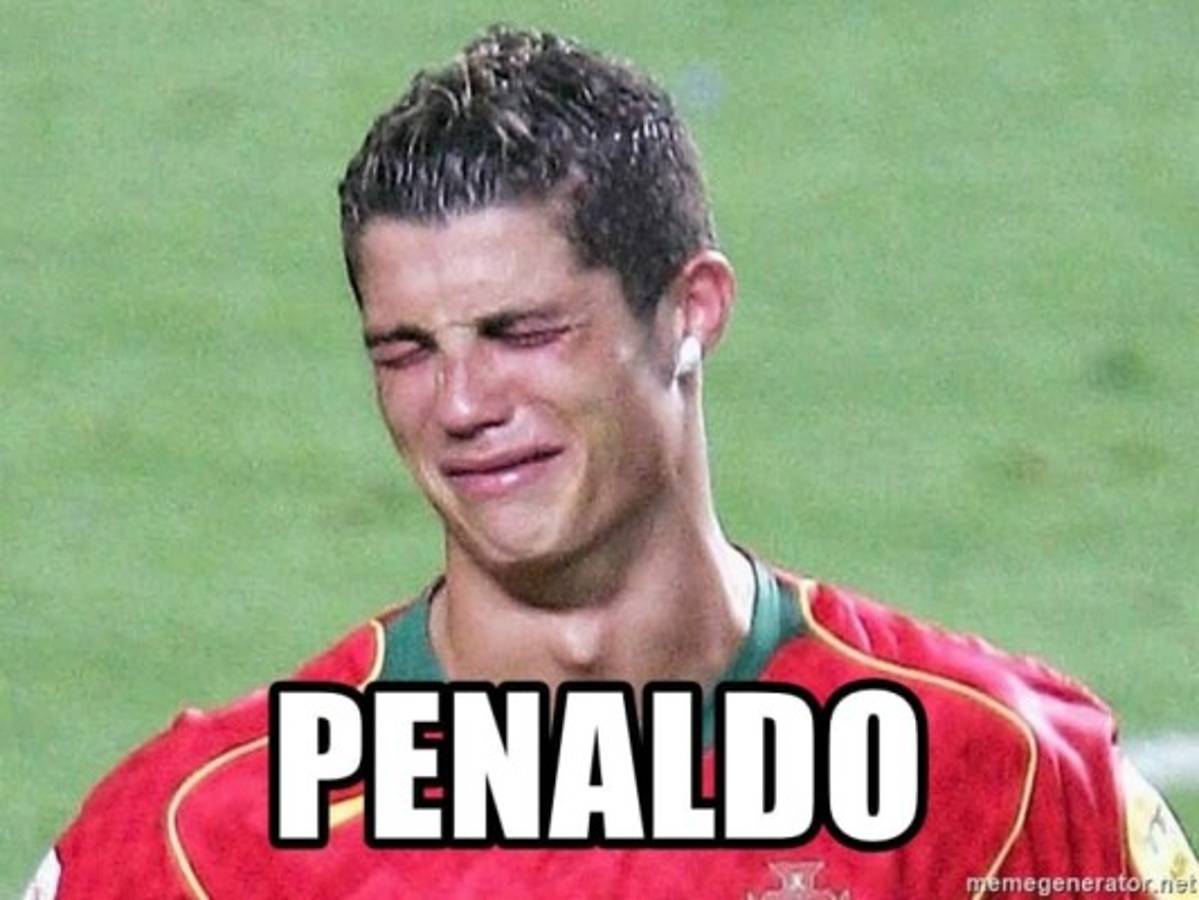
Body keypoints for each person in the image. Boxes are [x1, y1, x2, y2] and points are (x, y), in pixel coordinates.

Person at [25, 25, 1196, 900]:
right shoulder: (196, 845)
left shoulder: (1011, 792)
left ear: (690, 311)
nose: (462, 405)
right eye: (406, 351)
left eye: (522, 333)